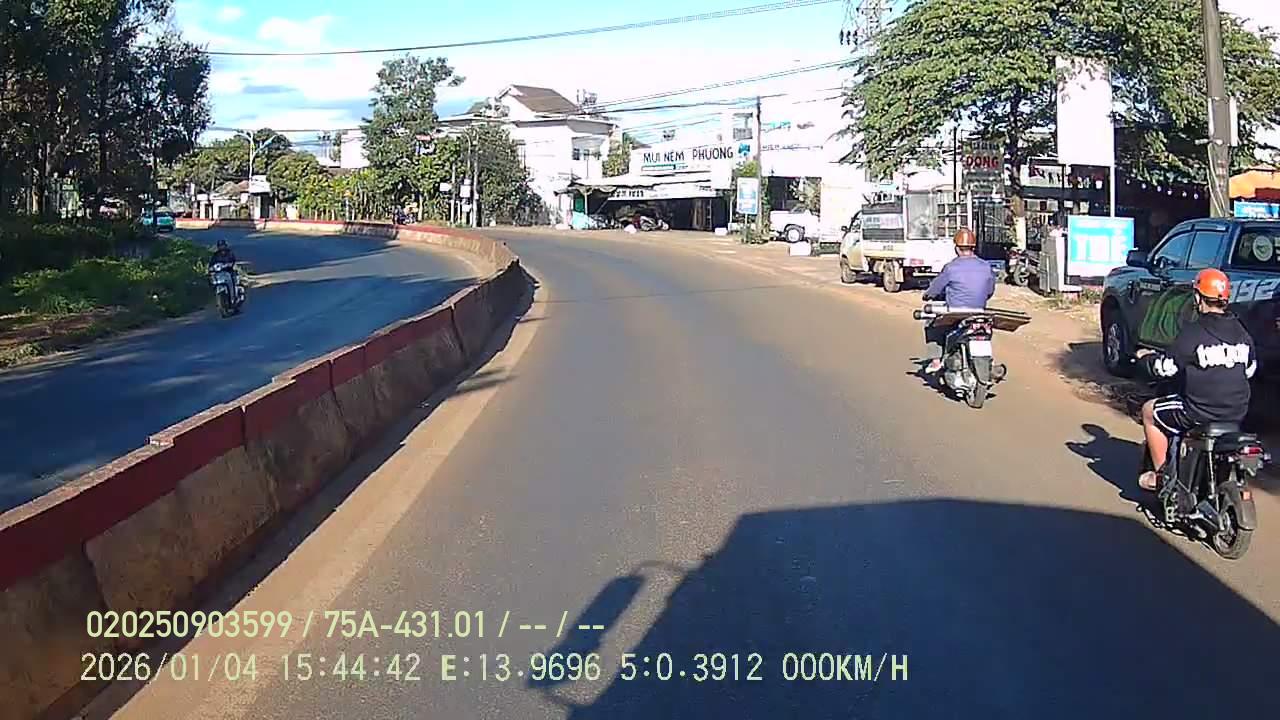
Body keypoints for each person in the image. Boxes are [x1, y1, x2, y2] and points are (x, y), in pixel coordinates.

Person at [1135, 268, 1256, 491]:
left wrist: (1146, 359)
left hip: (1197, 412)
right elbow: (1249, 370)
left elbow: (1165, 368)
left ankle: (1162, 478)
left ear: (1198, 298)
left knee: (1148, 412)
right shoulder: (1242, 333)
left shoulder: (1193, 332)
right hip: (1237, 412)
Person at [921, 228, 997, 373]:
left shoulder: (950, 268)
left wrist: (928, 295)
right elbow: (989, 291)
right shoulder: (986, 266)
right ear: (973, 247)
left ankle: (936, 361)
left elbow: (935, 289)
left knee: (931, 323)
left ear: (956, 248)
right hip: (979, 313)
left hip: (955, 313)